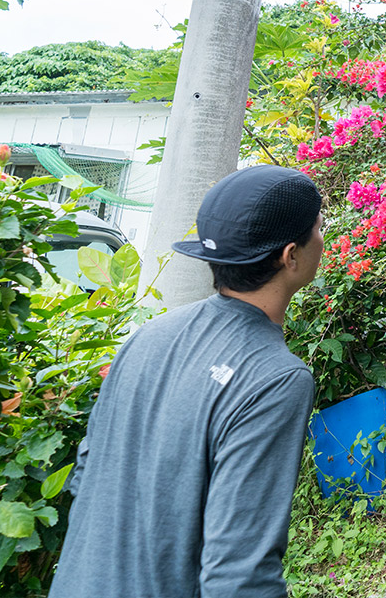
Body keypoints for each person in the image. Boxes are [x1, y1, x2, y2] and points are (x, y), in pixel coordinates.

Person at [50, 164, 324, 598]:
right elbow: (240, 577)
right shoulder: (275, 378)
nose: (322, 241)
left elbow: (86, 475)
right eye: (318, 229)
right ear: (291, 256)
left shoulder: (148, 336)